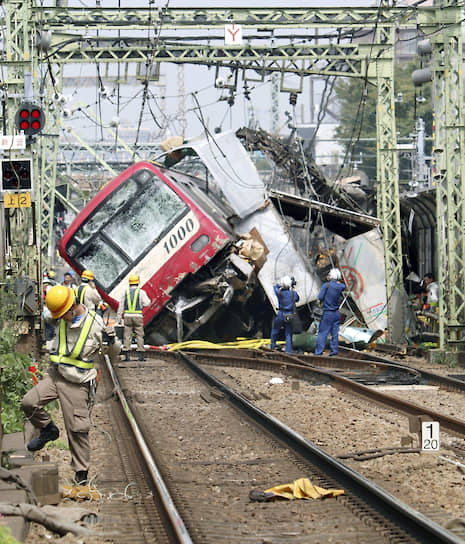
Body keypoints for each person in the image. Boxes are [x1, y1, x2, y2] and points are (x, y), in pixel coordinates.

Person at [21, 284, 120, 485]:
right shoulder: (59, 318)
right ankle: (48, 430)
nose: (58, 319)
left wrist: (112, 341)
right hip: (56, 376)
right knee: (29, 402)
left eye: (62, 315)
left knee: (77, 429)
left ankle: (81, 475)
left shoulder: (95, 325)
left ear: (73, 307)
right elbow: (46, 315)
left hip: (78, 383)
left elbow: (114, 354)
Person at [116, 274, 150, 361]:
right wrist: (141, 305)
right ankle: (141, 356)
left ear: (129, 283)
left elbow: (121, 306)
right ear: (137, 283)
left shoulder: (125, 292)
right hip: (138, 316)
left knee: (127, 335)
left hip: (127, 316)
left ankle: (127, 356)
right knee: (139, 335)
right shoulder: (141, 292)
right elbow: (147, 303)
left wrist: (119, 318)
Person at [315, 268, 346, 357]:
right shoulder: (340, 286)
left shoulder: (326, 285)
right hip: (336, 313)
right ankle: (334, 352)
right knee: (334, 334)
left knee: (322, 333)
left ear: (330, 276)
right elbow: (343, 286)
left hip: (327, 313)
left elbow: (320, 297)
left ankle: (318, 352)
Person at [270, 275, 300, 353]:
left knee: (275, 330)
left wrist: (280, 284)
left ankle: (272, 347)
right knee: (288, 333)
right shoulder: (293, 293)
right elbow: (297, 299)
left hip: (281, 313)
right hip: (289, 314)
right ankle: (288, 350)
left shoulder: (280, 293)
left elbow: (274, 287)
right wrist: (292, 287)